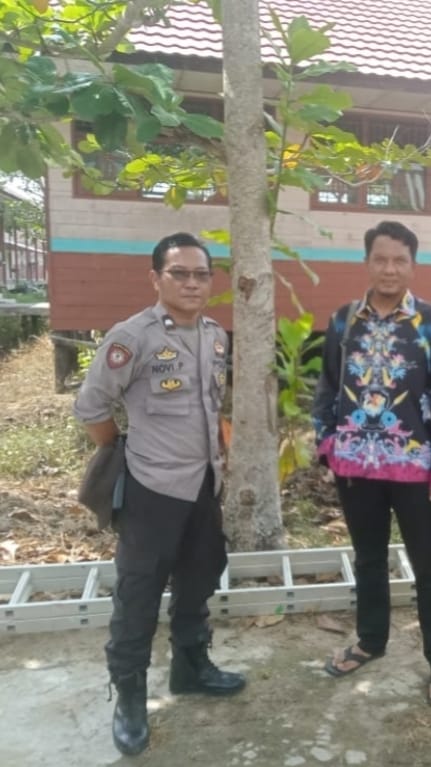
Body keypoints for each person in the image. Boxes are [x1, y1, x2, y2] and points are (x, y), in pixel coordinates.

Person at [74, 232, 245, 756]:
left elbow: (210, 408)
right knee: (139, 594)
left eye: (201, 274)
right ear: (156, 278)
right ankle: (129, 696)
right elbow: (92, 407)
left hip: (203, 485)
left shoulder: (214, 335)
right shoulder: (133, 337)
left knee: (199, 577)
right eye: (179, 273)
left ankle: (191, 668)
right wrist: (121, 450)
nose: (192, 283)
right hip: (152, 489)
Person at [312, 220, 431, 707]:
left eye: (400, 260)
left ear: (413, 266)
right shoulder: (343, 321)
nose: (390, 269)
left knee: (429, 563)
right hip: (356, 465)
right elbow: (327, 385)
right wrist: (326, 442)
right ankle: (370, 640)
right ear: (367, 263)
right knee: (368, 558)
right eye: (381, 259)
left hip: (414, 465)